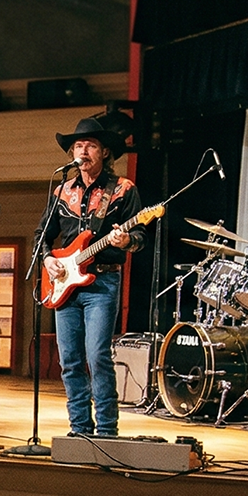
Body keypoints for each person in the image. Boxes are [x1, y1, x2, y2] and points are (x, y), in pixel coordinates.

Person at [38, 119, 145, 437]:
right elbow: (43, 235)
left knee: (97, 355)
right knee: (69, 360)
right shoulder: (61, 190)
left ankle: (107, 429)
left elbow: (140, 236)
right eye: (78, 146)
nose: (83, 151)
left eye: (90, 146)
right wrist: (47, 259)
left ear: (105, 152)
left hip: (102, 283)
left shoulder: (123, 189)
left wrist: (126, 240)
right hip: (64, 283)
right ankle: (80, 428)